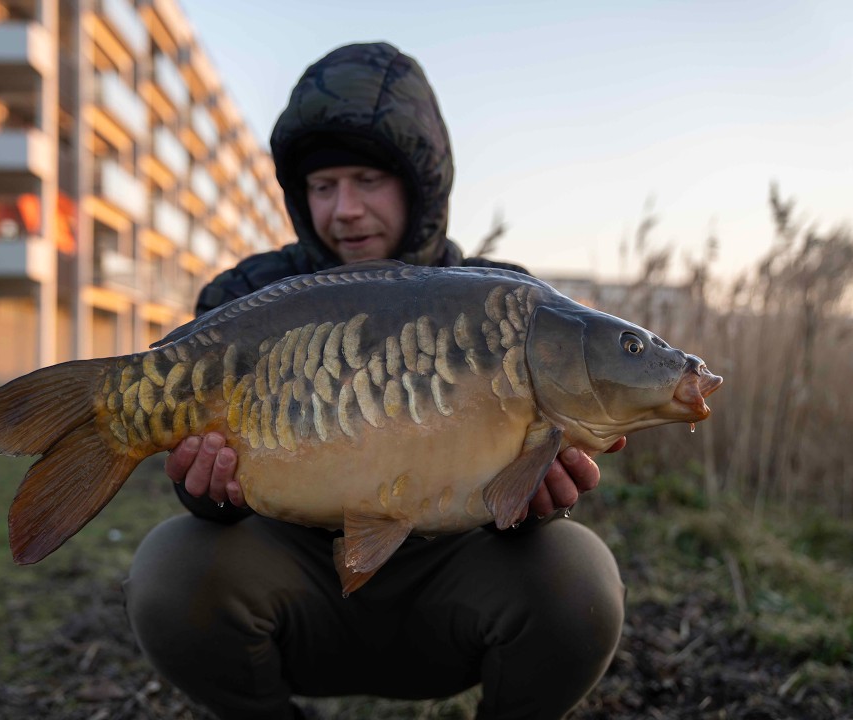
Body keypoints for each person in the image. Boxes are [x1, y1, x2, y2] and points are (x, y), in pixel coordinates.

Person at [123, 41, 626, 720]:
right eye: (323, 187)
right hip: (299, 585)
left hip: (447, 589)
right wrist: (205, 490)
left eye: (367, 179)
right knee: (170, 567)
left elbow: (520, 497)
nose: (345, 210)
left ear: (420, 186)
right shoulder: (247, 298)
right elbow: (215, 506)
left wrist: (536, 499)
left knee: (579, 573)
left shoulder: (508, 306)